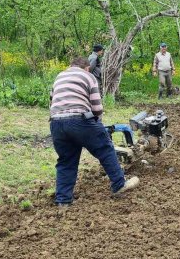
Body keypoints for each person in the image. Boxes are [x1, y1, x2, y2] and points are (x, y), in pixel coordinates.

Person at [49, 56, 139, 207]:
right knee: (105, 148)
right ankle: (119, 184)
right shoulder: (88, 76)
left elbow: (52, 102)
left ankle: (63, 200)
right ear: (86, 68)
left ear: (71, 66)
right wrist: (96, 126)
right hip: (79, 120)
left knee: (66, 160)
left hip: (56, 123)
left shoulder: (60, 76)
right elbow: (97, 108)